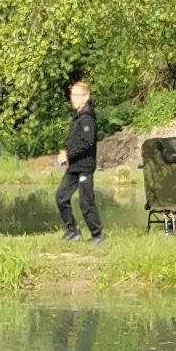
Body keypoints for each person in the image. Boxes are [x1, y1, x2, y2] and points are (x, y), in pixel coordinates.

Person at [55, 73, 103, 244]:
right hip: (74, 166)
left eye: (77, 95)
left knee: (85, 202)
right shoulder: (77, 117)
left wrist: (68, 154)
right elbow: (76, 142)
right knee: (61, 197)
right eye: (72, 95)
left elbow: (87, 143)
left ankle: (97, 235)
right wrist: (66, 154)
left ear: (86, 97)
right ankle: (72, 231)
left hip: (85, 167)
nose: (73, 99)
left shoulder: (87, 118)